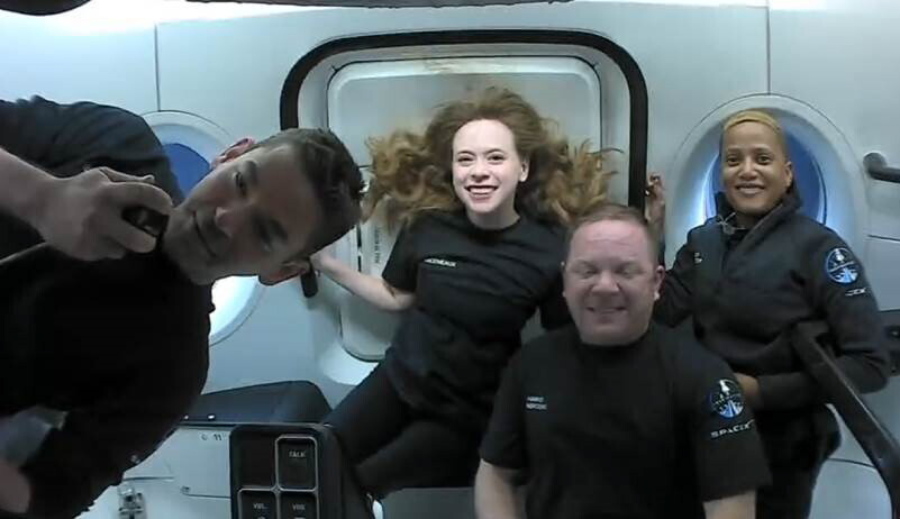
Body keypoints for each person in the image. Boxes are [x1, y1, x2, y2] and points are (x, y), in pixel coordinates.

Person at [0, 95, 364, 518]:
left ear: (282, 270)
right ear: (231, 155)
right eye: (241, 182)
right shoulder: (117, 143)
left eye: (264, 232)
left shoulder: (173, 368)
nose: (226, 219)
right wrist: (40, 197)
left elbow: (46, 497)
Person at [311, 87, 618, 503]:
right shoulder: (428, 226)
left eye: (495, 158)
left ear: (522, 168)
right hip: (398, 381)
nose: (478, 171)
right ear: (453, 171)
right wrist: (327, 265)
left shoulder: (550, 247)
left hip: (463, 416)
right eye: (465, 159)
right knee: (318, 457)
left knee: (363, 482)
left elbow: (562, 341)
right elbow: (395, 296)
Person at [651, 109, 891, 518]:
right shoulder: (704, 241)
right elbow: (658, 314)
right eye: (733, 160)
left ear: (788, 172)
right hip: (704, 425)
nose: (747, 171)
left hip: (781, 440)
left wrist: (762, 391)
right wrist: (648, 235)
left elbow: (870, 363)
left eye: (762, 159)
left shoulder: (819, 250)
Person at [475, 203, 771, 519]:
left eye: (625, 271)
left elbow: (731, 502)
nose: (604, 287)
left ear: (657, 282)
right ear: (565, 279)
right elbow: (496, 473)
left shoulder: (704, 378)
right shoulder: (530, 366)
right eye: (587, 270)